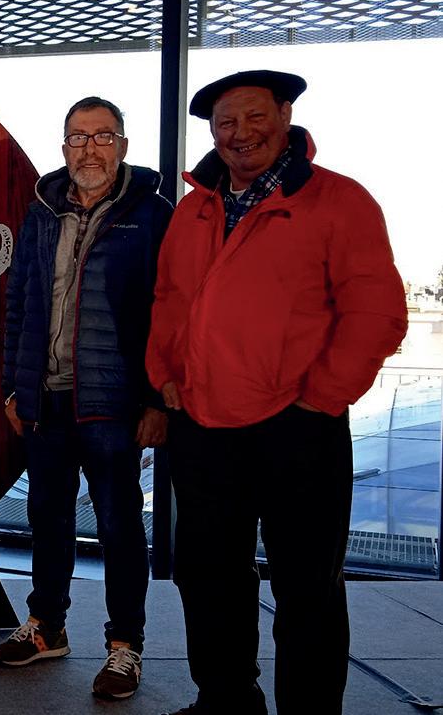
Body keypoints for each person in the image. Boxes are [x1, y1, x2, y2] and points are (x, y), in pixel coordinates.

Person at [147, 70, 408, 714]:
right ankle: (226, 702)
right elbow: (169, 300)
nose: (241, 133)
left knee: (307, 587)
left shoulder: (339, 201)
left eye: (255, 117)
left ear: (286, 116)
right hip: (202, 424)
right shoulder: (193, 209)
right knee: (207, 577)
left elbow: (375, 312)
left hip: (298, 427)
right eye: (226, 123)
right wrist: (165, 376)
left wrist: (321, 398)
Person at [0, 96, 174, 700]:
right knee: (47, 517)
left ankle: (125, 645)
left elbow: (169, 312)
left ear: (122, 145)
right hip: (45, 399)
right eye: (78, 137)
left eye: (102, 136)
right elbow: (19, 300)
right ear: (64, 146)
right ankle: (47, 626)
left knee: (120, 526)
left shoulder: (152, 214)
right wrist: (14, 387)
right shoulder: (43, 211)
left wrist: (157, 402)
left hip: (114, 405)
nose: (89, 148)